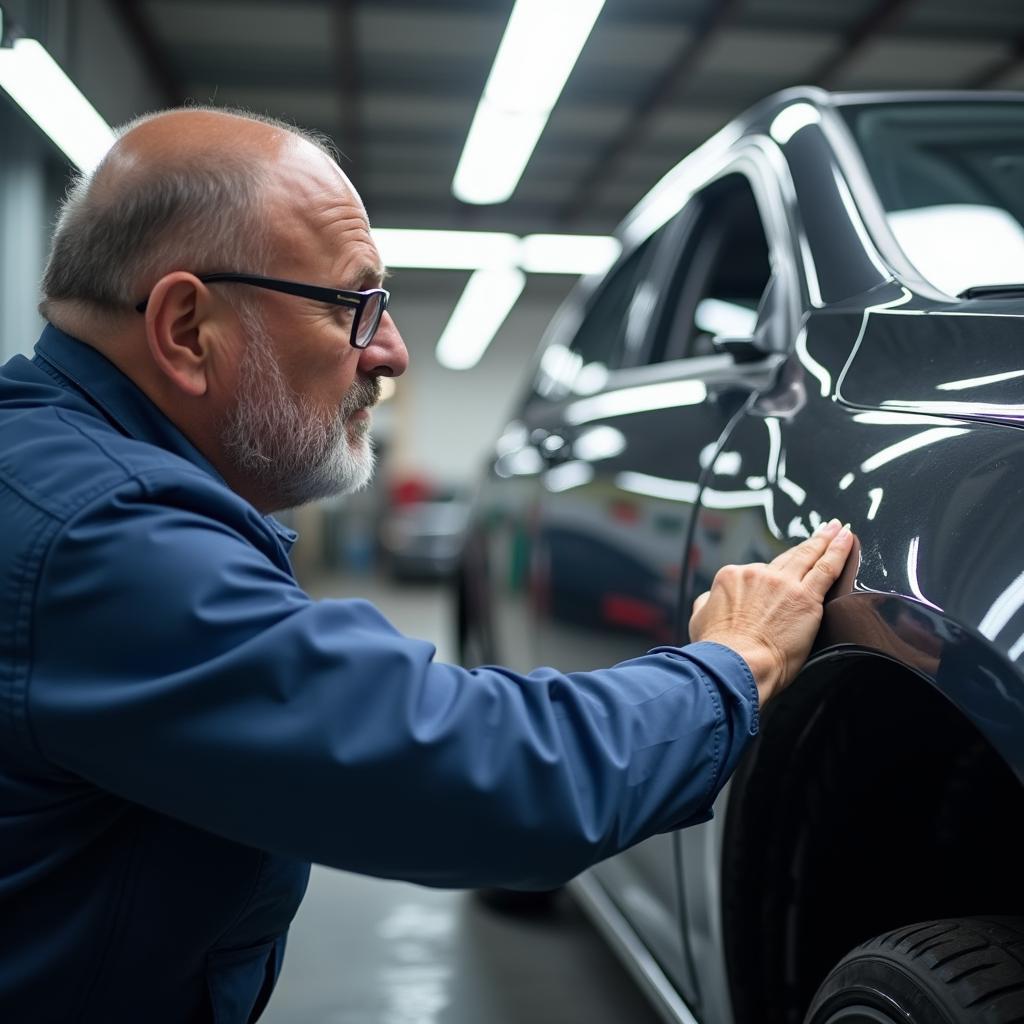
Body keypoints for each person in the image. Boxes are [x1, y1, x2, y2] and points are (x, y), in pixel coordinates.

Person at [0, 108, 854, 1022]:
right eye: (352, 303)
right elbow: (474, 772)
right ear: (185, 327)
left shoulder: (54, 467)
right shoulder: (98, 532)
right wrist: (736, 664)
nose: (391, 352)